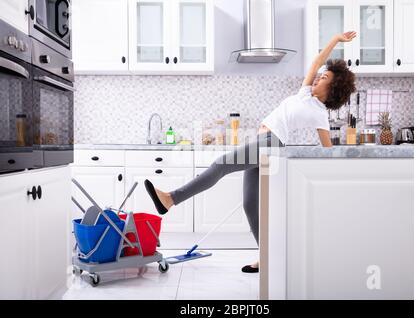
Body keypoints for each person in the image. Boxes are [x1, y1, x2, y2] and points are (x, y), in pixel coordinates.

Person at [145, 31, 357, 273]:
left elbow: (326, 150)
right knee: (250, 203)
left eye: (325, 77)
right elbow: (317, 61)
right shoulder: (305, 92)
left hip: (272, 143)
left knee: (221, 164)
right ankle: (266, 257)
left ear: (333, 87)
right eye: (321, 75)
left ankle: (171, 199)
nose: (319, 76)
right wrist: (335, 40)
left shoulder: (320, 113)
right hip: (264, 144)